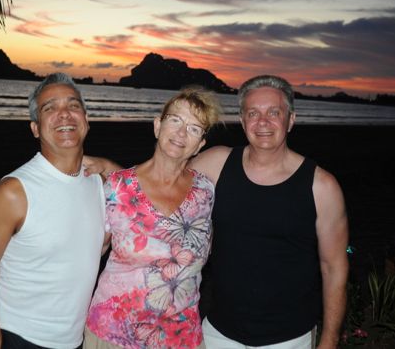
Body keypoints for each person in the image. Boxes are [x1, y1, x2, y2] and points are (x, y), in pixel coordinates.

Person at [189, 75, 349, 349]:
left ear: (291, 120)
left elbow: (334, 268)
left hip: (290, 338)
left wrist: (329, 340)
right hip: (218, 332)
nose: (262, 122)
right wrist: (110, 171)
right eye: (253, 113)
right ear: (243, 121)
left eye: (274, 112)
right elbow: (162, 180)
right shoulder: (216, 163)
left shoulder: (321, 186)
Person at [0, 72, 106, 349]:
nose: (64, 114)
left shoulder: (100, 185)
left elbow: (93, 247)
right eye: (49, 108)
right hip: (19, 336)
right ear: (35, 128)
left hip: (73, 341)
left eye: (73, 105)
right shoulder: (13, 192)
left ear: (86, 120)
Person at [84, 87, 222, 349]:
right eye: (175, 120)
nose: (181, 133)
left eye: (194, 128)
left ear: (200, 145)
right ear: (158, 126)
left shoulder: (206, 193)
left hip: (181, 336)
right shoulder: (116, 187)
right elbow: (88, 251)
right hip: (113, 332)